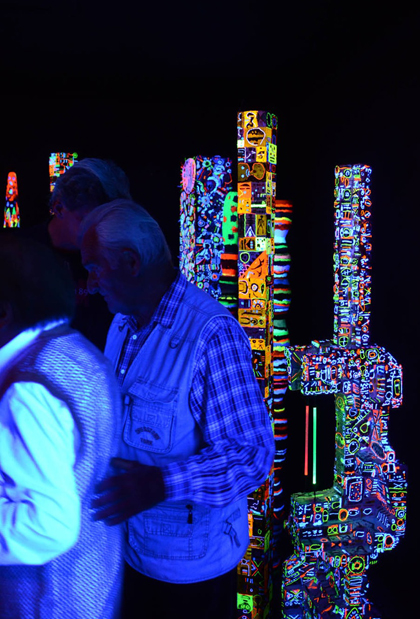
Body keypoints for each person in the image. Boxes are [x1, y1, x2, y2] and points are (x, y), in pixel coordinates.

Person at [80, 200, 275, 619]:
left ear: (131, 262)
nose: (91, 284)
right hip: (132, 555)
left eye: (95, 268)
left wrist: (162, 483)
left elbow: (250, 455)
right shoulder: (122, 324)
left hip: (191, 578)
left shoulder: (211, 334)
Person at [0, 236, 123, 619]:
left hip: (45, 600)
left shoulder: (26, 390)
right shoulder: (76, 349)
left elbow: (49, 524)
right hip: (91, 579)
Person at [21, 157, 132, 350]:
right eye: (88, 220)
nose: (101, 231)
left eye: (109, 220)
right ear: (58, 208)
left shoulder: (118, 253)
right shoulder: (18, 255)